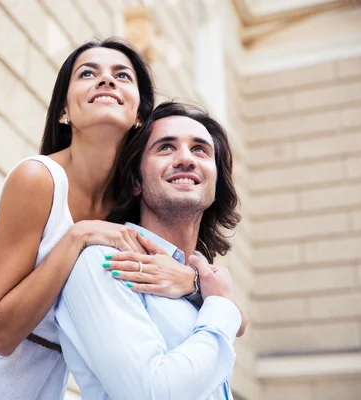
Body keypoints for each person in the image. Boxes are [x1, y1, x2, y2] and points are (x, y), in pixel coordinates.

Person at [0, 39, 206, 400]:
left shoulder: (133, 202)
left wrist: (193, 281)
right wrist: (78, 236)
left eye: (122, 75)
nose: (106, 81)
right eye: (88, 74)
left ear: (139, 114)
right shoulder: (37, 179)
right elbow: (0, 334)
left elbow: (208, 297)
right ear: (64, 112)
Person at [55, 101, 245, 399]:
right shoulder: (105, 262)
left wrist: (200, 288)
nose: (186, 159)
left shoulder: (200, 285)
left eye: (200, 150)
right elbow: (152, 393)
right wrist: (223, 308)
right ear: (135, 183)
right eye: (166, 148)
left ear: (217, 182)